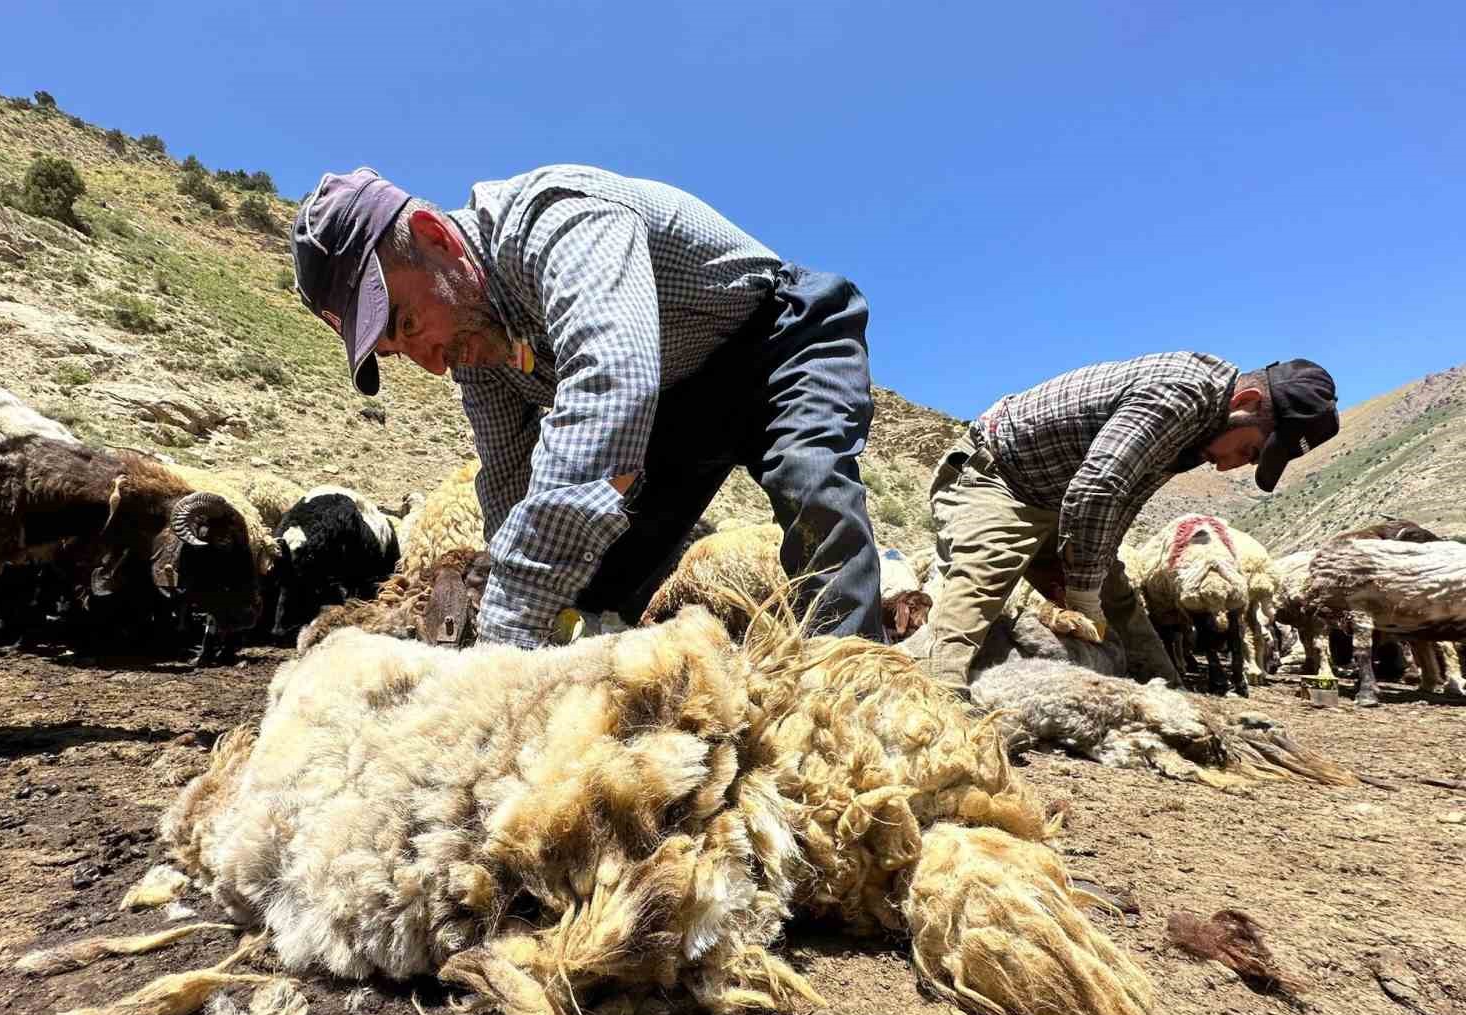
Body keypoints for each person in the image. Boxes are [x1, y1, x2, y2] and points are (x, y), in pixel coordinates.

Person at [290, 165, 884, 648]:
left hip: (779, 340)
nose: (433, 363)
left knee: (812, 487)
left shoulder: (557, 219)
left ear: (434, 236)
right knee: (589, 588)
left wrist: (511, 620)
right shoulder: (476, 351)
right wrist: (512, 599)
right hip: (677, 404)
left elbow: (609, 388)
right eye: (400, 352)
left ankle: (859, 691)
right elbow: (507, 479)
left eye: (409, 322)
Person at [921, 352, 1339, 693]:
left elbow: (1120, 502)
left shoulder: (1197, 435)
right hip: (997, 478)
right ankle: (935, 702)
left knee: (1118, 598)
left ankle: (1168, 695)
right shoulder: (1183, 394)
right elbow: (1098, 488)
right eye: (1248, 451)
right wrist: (1083, 595)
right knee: (984, 577)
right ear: (1244, 403)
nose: (1231, 467)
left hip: (1058, 499)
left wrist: (1096, 582)